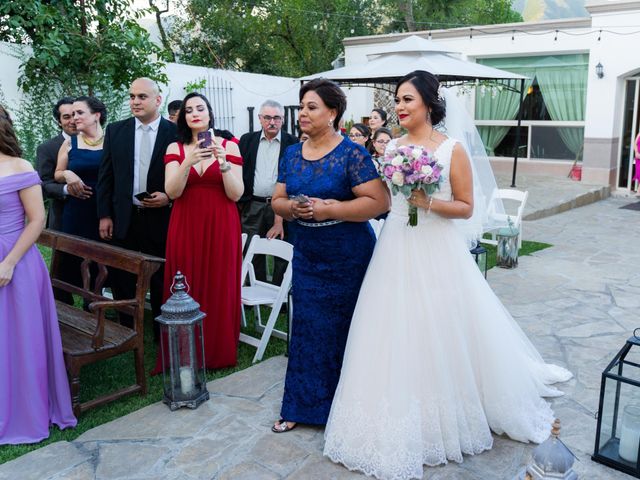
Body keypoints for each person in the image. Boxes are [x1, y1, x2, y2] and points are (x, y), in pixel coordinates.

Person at [323, 70, 573, 479]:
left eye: (407, 100)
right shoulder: (393, 149)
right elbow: (388, 199)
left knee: (440, 326)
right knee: (391, 326)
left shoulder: (451, 149)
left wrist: (428, 202)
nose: (400, 108)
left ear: (428, 104)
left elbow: (467, 207)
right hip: (396, 245)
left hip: (437, 249)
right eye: (397, 101)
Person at [270, 79, 389, 433]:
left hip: (348, 256)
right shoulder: (291, 153)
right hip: (308, 254)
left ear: (333, 113)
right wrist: (291, 207)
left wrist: (330, 209)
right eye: (302, 106)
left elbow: (379, 202)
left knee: (348, 331)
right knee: (307, 329)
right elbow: (276, 200)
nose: (303, 113)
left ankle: (351, 409)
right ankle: (301, 406)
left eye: (312, 107)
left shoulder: (352, 153)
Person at [0, 105, 76, 445]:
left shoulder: (20, 167)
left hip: (18, 263)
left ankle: (26, 409)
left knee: (21, 339)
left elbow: (36, 220)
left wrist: (9, 262)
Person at [162, 92, 244, 369]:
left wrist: (223, 164)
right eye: (189, 110)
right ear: (184, 117)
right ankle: (184, 348)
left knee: (220, 279)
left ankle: (217, 348)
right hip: (186, 222)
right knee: (186, 278)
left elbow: (236, 194)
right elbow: (172, 191)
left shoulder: (230, 146)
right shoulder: (175, 148)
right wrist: (189, 160)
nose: (195, 113)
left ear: (210, 113)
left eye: (200, 108)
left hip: (222, 222)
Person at [97, 78, 177, 325]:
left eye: (142, 96)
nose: (135, 101)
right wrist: (105, 215)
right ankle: (126, 326)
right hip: (125, 216)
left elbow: (187, 175)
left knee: (161, 276)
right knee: (122, 274)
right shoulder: (115, 131)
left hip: (161, 218)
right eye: (132, 96)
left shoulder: (175, 133)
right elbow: (106, 177)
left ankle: (161, 327)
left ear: (157, 100)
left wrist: (169, 197)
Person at [238, 100, 298, 283]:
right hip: (253, 204)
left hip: (282, 205)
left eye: (276, 118)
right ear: (260, 119)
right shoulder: (247, 140)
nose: (272, 122)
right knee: (251, 249)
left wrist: (280, 216)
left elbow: (293, 179)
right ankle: (254, 289)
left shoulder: (293, 143)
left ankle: (278, 296)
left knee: (282, 249)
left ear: (283, 119)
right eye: (267, 117)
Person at [55, 96, 106, 241]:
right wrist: (67, 173)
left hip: (103, 213)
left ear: (96, 115)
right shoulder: (69, 143)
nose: (74, 118)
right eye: (72, 114)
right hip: (75, 212)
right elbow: (57, 174)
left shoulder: (112, 142)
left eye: (79, 113)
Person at [36, 97, 76, 231]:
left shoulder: (97, 142)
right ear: (59, 121)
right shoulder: (47, 148)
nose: (72, 121)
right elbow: (44, 184)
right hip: (62, 217)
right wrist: (66, 190)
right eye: (66, 117)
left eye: (75, 114)